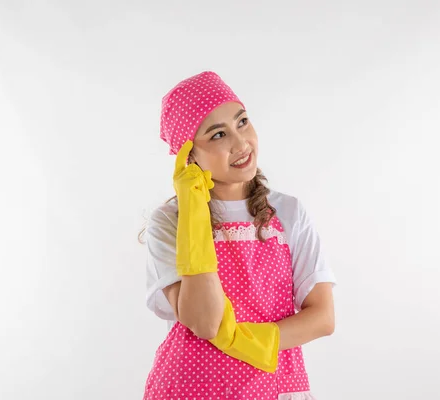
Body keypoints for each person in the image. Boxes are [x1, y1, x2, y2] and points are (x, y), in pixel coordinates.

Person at [140, 71, 337, 399]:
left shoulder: (288, 213)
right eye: (217, 135)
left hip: (273, 385)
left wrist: (247, 341)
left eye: (242, 122)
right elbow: (204, 322)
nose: (240, 142)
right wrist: (193, 210)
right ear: (188, 155)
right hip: (191, 387)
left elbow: (323, 317)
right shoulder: (170, 223)